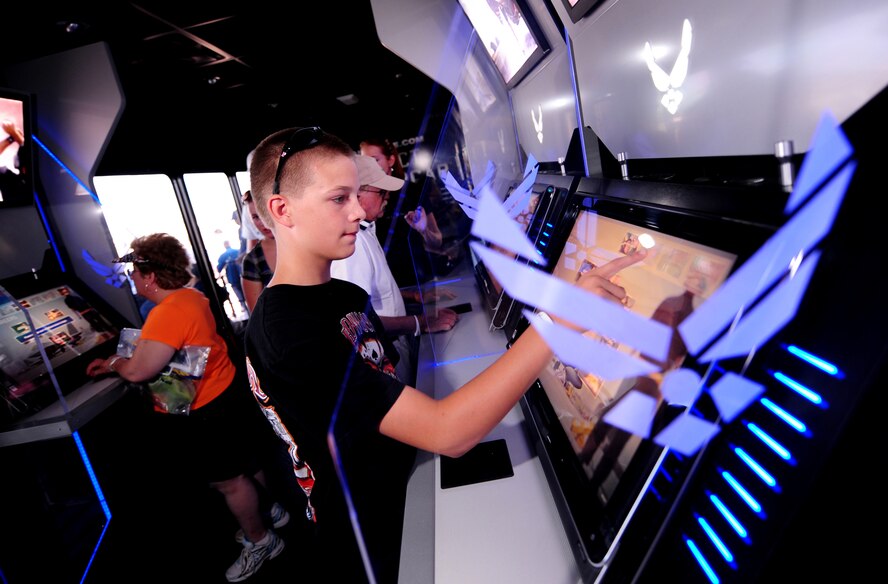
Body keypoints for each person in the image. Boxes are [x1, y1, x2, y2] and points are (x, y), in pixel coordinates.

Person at [243, 126, 646, 583]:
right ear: (282, 209)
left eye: (358, 195)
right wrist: (558, 322)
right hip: (372, 533)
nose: (359, 211)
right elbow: (446, 431)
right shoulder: (289, 331)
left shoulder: (339, 294)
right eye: (339, 199)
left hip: (402, 480)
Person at [85, 233, 289, 583]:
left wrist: (115, 362)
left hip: (205, 410)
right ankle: (268, 509)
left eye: (134, 272)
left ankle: (262, 540)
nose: (132, 279)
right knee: (246, 462)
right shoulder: (191, 297)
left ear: (150, 276)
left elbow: (140, 370)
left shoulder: (166, 313)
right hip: (225, 392)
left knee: (229, 481)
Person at [330, 154, 458, 385]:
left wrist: (412, 296)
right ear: (357, 194)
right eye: (381, 191)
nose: (387, 196)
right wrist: (421, 322)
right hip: (388, 348)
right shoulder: (354, 243)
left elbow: (373, 294)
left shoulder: (366, 230)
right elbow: (361, 321)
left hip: (398, 340)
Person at [240, 190, 276, 313]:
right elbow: (257, 317)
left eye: (265, 213)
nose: (263, 222)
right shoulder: (253, 260)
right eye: (256, 217)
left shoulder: (306, 243)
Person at [217, 239, 247, 313]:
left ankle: (245, 308)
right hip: (244, 276)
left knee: (240, 297)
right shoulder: (238, 251)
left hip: (233, 279)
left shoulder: (223, 256)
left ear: (224, 246)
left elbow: (219, 268)